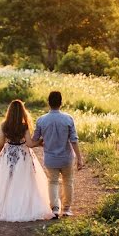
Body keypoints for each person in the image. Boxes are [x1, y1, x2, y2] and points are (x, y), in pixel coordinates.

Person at [0, 99, 54, 222]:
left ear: (9, 111)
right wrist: (40, 142)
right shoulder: (24, 125)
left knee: (7, 181)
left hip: (7, 155)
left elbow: (0, 144)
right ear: (22, 112)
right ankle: (21, 207)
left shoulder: (3, 125)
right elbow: (30, 144)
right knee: (23, 181)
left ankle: (6, 207)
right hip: (22, 155)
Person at [33, 90, 84, 218]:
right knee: (68, 181)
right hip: (66, 158)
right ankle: (66, 209)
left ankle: (55, 209)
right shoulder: (68, 118)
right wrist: (79, 158)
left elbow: (35, 139)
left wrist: (43, 141)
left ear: (48, 103)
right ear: (61, 103)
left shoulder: (41, 120)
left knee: (53, 182)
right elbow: (74, 140)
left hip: (50, 158)